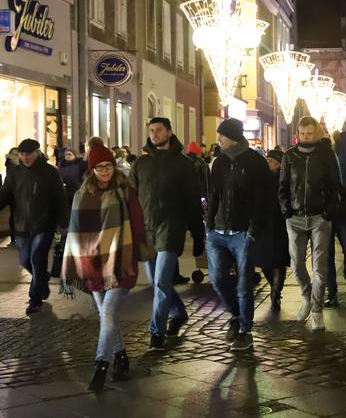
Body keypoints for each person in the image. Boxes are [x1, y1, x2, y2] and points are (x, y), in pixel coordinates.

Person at [61, 145, 151, 391]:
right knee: (106, 315)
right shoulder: (83, 193)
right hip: (93, 263)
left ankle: (101, 366)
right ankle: (121, 358)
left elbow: (138, 224)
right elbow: (76, 229)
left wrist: (129, 247)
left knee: (108, 313)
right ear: (92, 170)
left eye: (108, 166)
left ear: (114, 166)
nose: (104, 171)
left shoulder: (125, 191)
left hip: (121, 262)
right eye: (99, 167)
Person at [130, 118, 205, 350]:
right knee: (156, 282)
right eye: (151, 130)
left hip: (171, 228)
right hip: (147, 229)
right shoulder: (141, 163)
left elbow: (193, 201)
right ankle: (178, 313)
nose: (154, 134)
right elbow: (131, 197)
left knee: (162, 282)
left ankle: (157, 331)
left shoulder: (183, 164)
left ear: (169, 132)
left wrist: (198, 232)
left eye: (159, 130)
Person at [206, 118, 268, 350]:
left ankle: (244, 330)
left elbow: (262, 198)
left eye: (221, 135)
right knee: (217, 280)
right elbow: (214, 194)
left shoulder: (255, 162)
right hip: (218, 230)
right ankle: (236, 314)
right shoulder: (219, 162)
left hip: (243, 232)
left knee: (243, 285)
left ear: (232, 137)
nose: (218, 139)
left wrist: (253, 230)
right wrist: (209, 225)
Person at [279, 116, 341, 331]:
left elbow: (335, 185)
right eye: (303, 134)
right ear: (298, 134)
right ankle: (306, 296)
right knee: (296, 266)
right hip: (295, 218)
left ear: (316, 134)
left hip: (319, 218)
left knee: (319, 269)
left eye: (310, 134)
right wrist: (286, 210)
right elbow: (283, 186)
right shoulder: (289, 156)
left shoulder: (326, 155)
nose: (306, 137)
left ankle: (316, 311)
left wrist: (328, 211)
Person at [0, 139, 68, 314]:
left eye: (29, 154)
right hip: (21, 225)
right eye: (22, 154)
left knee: (37, 258)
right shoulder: (14, 174)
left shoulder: (50, 172)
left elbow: (60, 198)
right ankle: (42, 279)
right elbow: (5, 195)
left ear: (37, 152)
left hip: (44, 224)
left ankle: (35, 298)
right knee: (25, 260)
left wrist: (63, 223)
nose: (25, 157)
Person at [326, 131, 346, 307]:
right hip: (330, 212)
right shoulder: (331, 157)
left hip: (344, 211)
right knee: (329, 255)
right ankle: (332, 291)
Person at [257, 149, 290, 312]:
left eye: (270, 160)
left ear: (278, 163)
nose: (267, 162)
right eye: (267, 159)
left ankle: (276, 292)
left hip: (280, 224)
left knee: (279, 261)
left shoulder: (285, 178)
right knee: (264, 262)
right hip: (263, 224)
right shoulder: (262, 177)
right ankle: (274, 287)